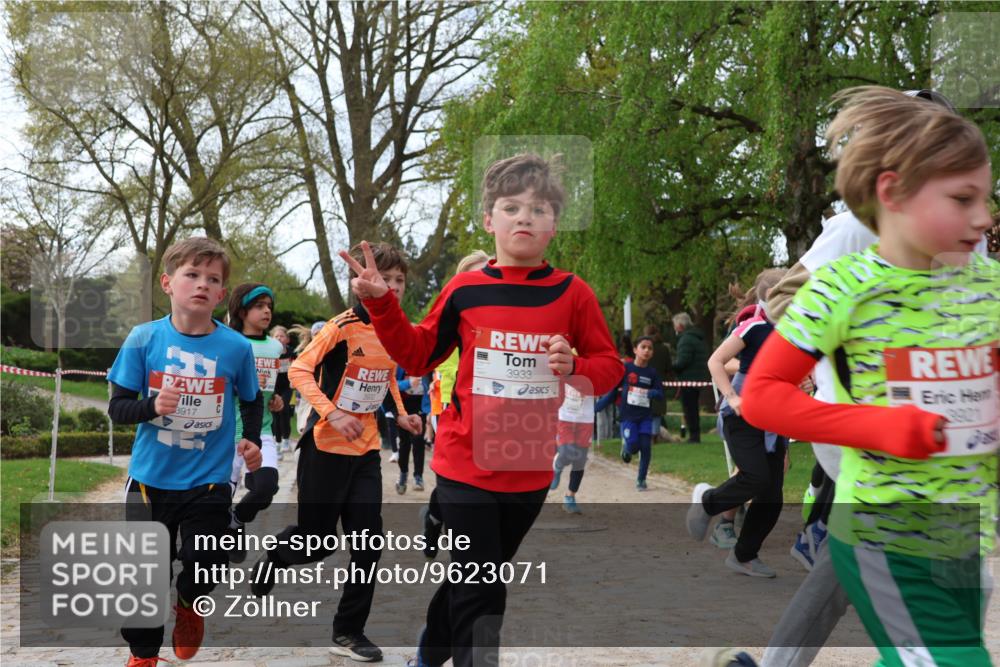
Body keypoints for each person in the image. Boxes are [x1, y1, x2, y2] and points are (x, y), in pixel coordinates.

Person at [743, 86, 997, 666]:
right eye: (962, 197)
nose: (984, 217)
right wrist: (867, 406)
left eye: (983, 196)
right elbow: (763, 383)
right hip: (883, 520)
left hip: (963, 526)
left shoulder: (983, 278)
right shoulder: (849, 269)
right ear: (894, 189)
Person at [340, 153, 622, 667]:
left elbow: (608, 367)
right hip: (465, 464)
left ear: (553, 225)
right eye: (511, 207)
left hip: (529, 468)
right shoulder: (465, 289)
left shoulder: (573, 293)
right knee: (483, 586)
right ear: (490, 220)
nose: (524, 217)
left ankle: (428, 653)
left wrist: (576, 363)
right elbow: (417, 354)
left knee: (473, 576)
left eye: (537, 209)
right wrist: (383, 303)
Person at [250, 242, 422, 663]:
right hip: (324, 447)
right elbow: (298, 370)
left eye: (400, 281)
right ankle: (276, 555)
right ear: (362, 282)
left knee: (368, 541)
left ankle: (348, 631)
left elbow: (386, 376)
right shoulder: (340, 326)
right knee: (319, 541)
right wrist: (331, 412)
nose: (394, 287)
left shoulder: (395, 329)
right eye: (387, 279)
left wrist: (400, 414)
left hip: (364, 450)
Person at [106, 237, 262, 666]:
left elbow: (251, 398)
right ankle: (143, 654)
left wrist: (251, 438)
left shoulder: (235, 347)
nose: (201, 284)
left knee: (206, 559)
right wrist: (152, 406)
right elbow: (117, 408)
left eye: (213, 279)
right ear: (168, 283)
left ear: (220, 294)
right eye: (191, 274)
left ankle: (190, 603)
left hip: (207, 479)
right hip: (149, 481)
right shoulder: (143, 338)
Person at [687, 268, 789, 578]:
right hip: (742, 417)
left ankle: (744, 556)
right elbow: (715, 361)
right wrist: (731, 397)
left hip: (774, 419)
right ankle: (707, 503)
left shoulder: (796, 329)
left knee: (772, 498)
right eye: (793, 294)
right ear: (773, 296)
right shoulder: (753, 326)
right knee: (755, 477)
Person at [420, 250, 490, 560]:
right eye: (475, 275)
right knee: (458, 473)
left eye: (489, 273)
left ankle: (440, 517)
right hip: (446, 403)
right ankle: (440, 519)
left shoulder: (499, 318)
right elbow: (421, 353)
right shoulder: (450, 312)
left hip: (488, 407)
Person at [225, 283, 285, 564]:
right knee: (219, 497)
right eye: (259, 306)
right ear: (242, 310)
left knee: (266, 487)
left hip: (262, 431)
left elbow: (281, 385)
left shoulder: (276, 347)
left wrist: (279, 400)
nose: (266, 311)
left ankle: (236, 519)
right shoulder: (229, 342)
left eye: (269, 306)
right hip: (225, 434)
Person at [597, 336, 664, 490]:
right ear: (635, 350)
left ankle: (641, 479)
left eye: (650, 348)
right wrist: (599, 406)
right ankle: (627, 449)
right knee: (634, 445)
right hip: (628, 416)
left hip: (645, 416)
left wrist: (653, 392)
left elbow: (661, 394)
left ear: (652, 353)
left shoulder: (652, 373)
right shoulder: (626, 369)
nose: (647, 350)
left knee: (646, 446)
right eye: (643, 347)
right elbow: (614, 391)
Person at [550, 371, 596, 512]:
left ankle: (570, 497)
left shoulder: (592, 363)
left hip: (586, 418)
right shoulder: (564, 358)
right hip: (565, 416)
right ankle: (557, 466)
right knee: (568, 452)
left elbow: (605, 384)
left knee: (580, 460)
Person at [672, 312, 710, 442]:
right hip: (698, 377)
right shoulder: (697, 337)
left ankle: (694, 436)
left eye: (675, 326)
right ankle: (695, 434)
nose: (674, 329)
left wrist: (671, 367)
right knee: (693, 407)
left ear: (680, 326)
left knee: (689, 408)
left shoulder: (685, 340)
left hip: (688, 379)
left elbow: (683, 361)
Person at [269, 324, 295, 456]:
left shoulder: (292, 353)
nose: (279, 338)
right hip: (272, 387)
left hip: (287, 387)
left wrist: (294, 380)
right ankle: (277, 443)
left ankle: (286, 439)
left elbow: (297, 367)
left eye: (282, 336)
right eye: (276, 336)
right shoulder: (269, 352)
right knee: (275, 415)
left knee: (284, 411)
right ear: (272, 339)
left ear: (287, 339)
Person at [644, 323, 673, 440]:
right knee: (657, 411)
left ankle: (646, 434)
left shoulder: (645, 348)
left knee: (645, 409)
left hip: (645, 381)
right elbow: (668, 367)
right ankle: (654, 435)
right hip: (659, 382)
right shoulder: (664, 348)